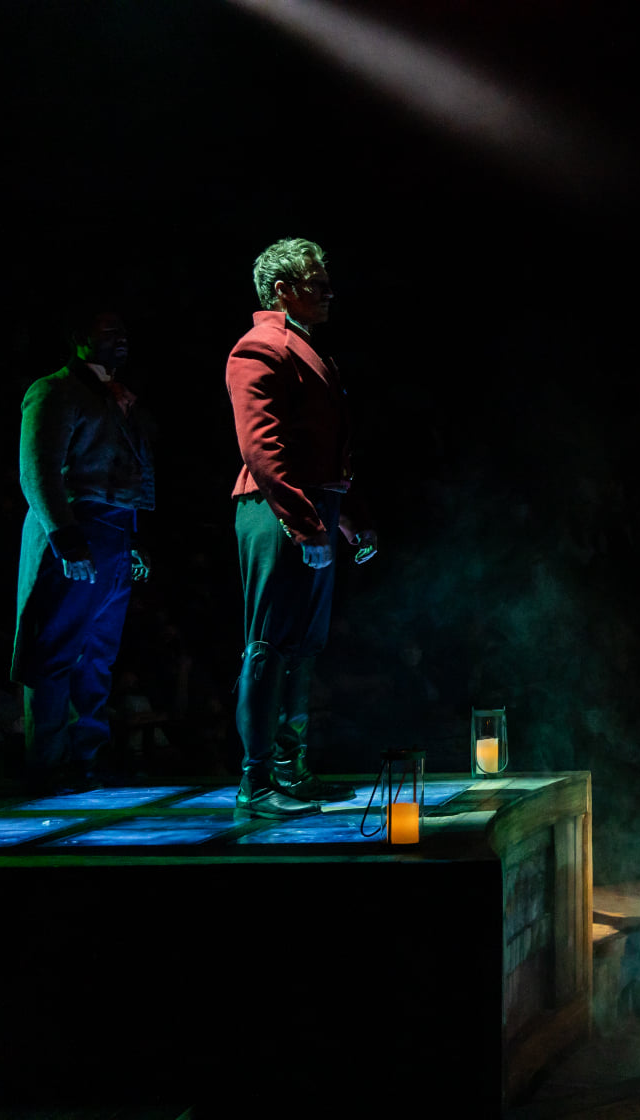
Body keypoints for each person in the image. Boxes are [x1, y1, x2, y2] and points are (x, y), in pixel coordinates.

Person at [225, 238, 377, 818]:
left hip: (314, 510)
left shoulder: (307, 348)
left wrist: (349, 518)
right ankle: (257, 780)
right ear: (282, 290)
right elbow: (261, 448)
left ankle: (290, 769)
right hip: (278, 513)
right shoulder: (259, 347)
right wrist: (305, 524)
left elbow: (326, 453)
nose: (329, 292)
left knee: (304, 647)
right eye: (317, 283)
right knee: (268, 645)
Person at [13, 311, 155, 793]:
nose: (121, 339)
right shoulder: (54, 390)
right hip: (77, 525)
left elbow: (130, 474)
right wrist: (65, 537)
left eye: (123, 332)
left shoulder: (116, 398)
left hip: (113, 532)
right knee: (56, 649)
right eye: (108, 332)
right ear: (79, 338)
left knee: (97, 653)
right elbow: (37, 469)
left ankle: (84, 759)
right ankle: (48, 761)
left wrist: (132, 538)